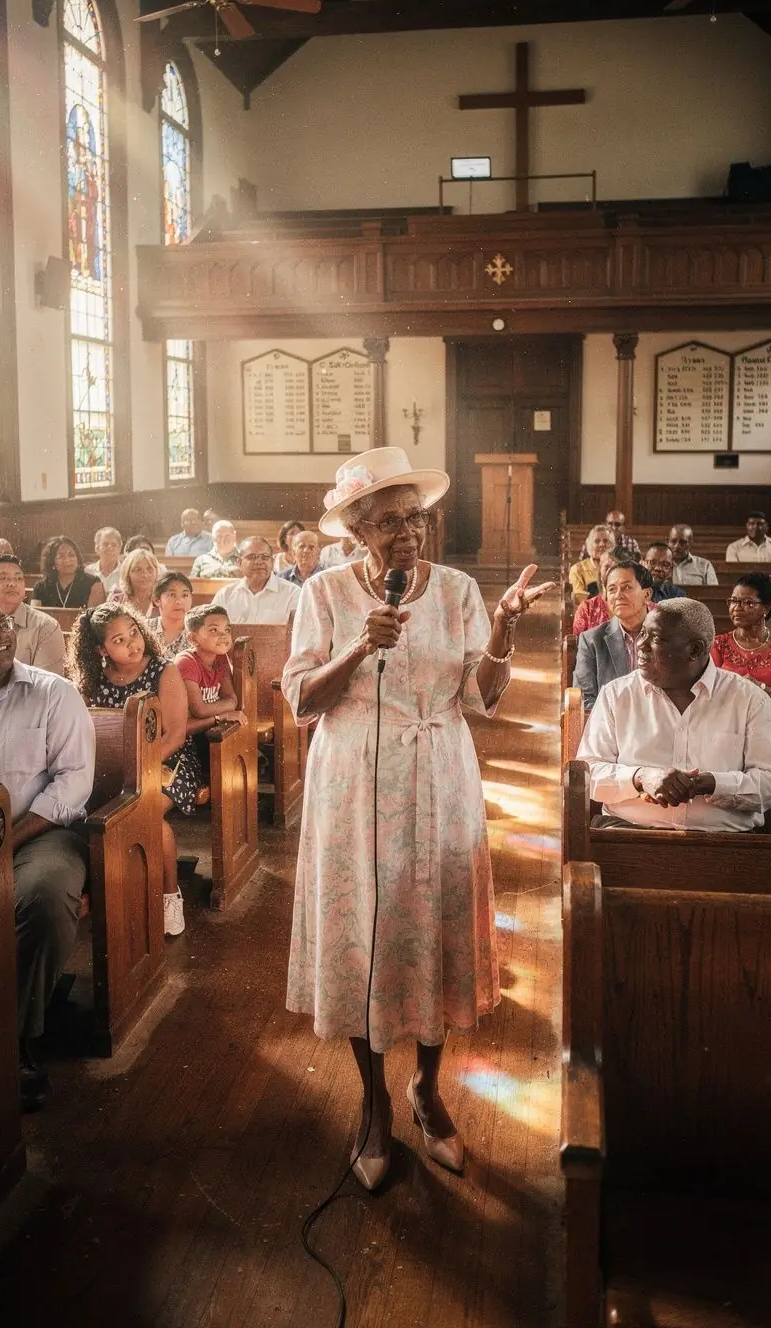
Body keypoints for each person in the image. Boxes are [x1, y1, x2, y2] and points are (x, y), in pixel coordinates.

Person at [282, 446, 555, 1191]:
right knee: (364, 931)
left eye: (418, 519)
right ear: (359, 532)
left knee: (434, 924)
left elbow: (481, 694)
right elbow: (301, 699)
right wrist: (355, 648)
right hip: (353, 783)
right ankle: (374, 1109)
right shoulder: (326, 593)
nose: (409, 533)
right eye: (392, 522)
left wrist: (501, 632)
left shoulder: (461, 589)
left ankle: (427, 1093)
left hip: (439, 771)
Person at [0, 597, 96, 1109]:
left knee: (43, 901)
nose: (0, 632)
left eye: (2, 622)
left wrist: (6, 844)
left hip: (39, 833)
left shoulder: (52, 693)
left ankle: (11, 1041)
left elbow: (73, 782)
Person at [578, 597, 771, 831]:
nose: (640, 644)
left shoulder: (749, 700)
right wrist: (640, 778)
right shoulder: (616, 695)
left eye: (655, 637)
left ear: (694, 649)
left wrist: (713, 784)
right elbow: (587, 773)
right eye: (643, 633)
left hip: (725, 846)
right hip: (627, 833)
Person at [68, 606, 204, 939]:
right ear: (101, 650)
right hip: (113, 767)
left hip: (168, 762)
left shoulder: (162, 670)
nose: (133, 643)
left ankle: (169, 895)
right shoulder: (92, 679)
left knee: (144, 816)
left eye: (134, 632)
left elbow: (174, 734)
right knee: (92, 814)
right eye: (119, 640)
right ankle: (110, 894)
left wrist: (136, 767)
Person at [574, 561, 654, 711]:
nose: (618, 595)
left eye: (627, 587)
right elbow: (585, 700)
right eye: (612, 589)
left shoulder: (669, 634)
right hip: (611, 728)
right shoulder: (591, 640)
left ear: (647, 594)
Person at [710, 573, 771, 714]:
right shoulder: (718, 645)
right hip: (731, 725)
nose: (737, 608)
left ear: (766, 608)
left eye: (748, 603)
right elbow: (708, 696)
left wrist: (763, 689)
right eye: (734, 601)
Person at [0, 554, 65, 675]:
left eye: (18, 578)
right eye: (3, 578)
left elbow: (46, 687)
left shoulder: (45, 626)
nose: (12, 583)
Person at [175, 605, 246, 739]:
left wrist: (218, 712)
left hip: (208, 730)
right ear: (193, 639)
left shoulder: (220, 657)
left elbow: (232, 701)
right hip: (185, 738)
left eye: (227, 629)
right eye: (214, 630)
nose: (224, 635)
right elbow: (200, 710)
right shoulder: (185, 662)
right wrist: (221, 715)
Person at [211, 537, 301, 624]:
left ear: (272, 562)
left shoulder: (292, 594)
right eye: (252, 557)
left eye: (265, 557)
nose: (259, 562)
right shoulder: (225, 595)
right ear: (239, 563)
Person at [31, 536, 105, 610]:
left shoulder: (93, 583)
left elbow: (95, 618)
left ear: (77, 558)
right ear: (51, 561)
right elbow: (35, 617)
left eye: (71, 555)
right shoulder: (41, 586)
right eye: (61, 556)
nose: (67, 560)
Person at [571, 549, 633, 636]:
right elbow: (578, 645)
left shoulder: (636, 605)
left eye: (616, 567)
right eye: (607, 567)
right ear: (600, 572)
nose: (611, 572)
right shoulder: (587, 609)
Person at [108, 548, 160, 619]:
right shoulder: (116, 599)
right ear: (127, 573)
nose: (145, 575)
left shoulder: (164, 599)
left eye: (149, 569)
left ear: (156, 572)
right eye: (138, 570)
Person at [569, 524, 615, 605]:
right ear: (589, 545)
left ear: (612, 545)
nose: (601, 545)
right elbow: (580, 600)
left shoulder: (619, 568)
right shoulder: (577, 569)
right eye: (597, 541)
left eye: (605, 541)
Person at [152, 571, 193, 660]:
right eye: (172, 595)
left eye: (185, 595)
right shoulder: (145, 629)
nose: (179, 601)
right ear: (157, 600)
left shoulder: (197, 633)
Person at [86, 526, 123, 593]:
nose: (110, 547)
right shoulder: (87, 572)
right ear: (97, 548)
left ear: (119, 549)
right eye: (105, 544)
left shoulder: (126, 573)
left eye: (114, 544)